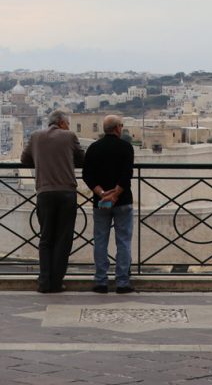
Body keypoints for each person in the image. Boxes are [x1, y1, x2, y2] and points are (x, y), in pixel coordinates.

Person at [20, 109, 85, 293]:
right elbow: (82, 159)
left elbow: (24, 160)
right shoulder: (69, 136)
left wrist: (42, 160)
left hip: (45, 192)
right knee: (63, 239)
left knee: (46, 238)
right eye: (68, 124)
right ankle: (56, 282)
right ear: (62, 123)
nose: (69, 127)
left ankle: (44, 282)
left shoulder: (35, 136)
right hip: (66, 193)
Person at [82, 114, 135, 293]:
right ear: (117, 128)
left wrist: (102, 194)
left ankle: (101, 281)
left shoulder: (94, 148)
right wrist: (116, 194)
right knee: (124, 241)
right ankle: (122, 282)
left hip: (101, 202)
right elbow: (127, 175)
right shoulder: (126, 147)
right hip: (123, 201)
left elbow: (87, 175)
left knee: (100, 241)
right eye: (121, 125)